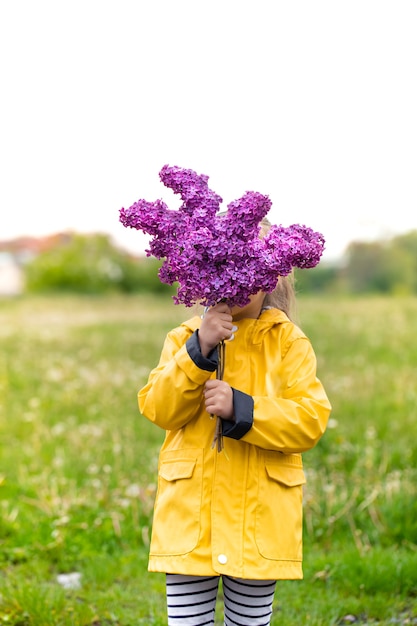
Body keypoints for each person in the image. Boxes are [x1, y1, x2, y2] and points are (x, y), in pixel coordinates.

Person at [138, 223, 331, 625]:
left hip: (259, 519)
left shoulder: (287, 342)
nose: (230, 284)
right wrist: (198, 351)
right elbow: (160, 409)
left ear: (269, 274)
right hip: (191, 514)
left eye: (244, 270)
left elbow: (310, 421)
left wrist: (242, 409)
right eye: (218, 268)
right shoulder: (183, 338)